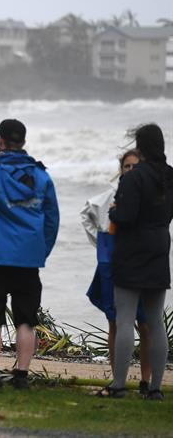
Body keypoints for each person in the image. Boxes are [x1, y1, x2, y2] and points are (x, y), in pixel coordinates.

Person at [0, 119, 60, 389]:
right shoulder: (41, 176)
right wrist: (40, 251)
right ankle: (22, 377)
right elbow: (51, 220)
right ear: (23, 142)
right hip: (28, 260)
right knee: (26, 319)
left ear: (0, 141)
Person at [107, 123, 173, 401]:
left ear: (141, 146)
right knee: (156, 321)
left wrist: (114, 213)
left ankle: (119, 384)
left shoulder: (134, 178)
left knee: (124, 320)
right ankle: (155, 388)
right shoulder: (170, 175)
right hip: (160, 245)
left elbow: (126, 216)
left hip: (132, 250)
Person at [82, 149, 151, 393]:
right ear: (121, 169)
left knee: (144, 325)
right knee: (114, 322)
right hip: (112, 265)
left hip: (140, 266)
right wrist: (100, 244)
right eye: (127, 166)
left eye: (135, 166)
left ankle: (146, 381)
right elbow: (86, 214)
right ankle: (117, 378)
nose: (130, 170)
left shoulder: (147, 197)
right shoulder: (109, 196)